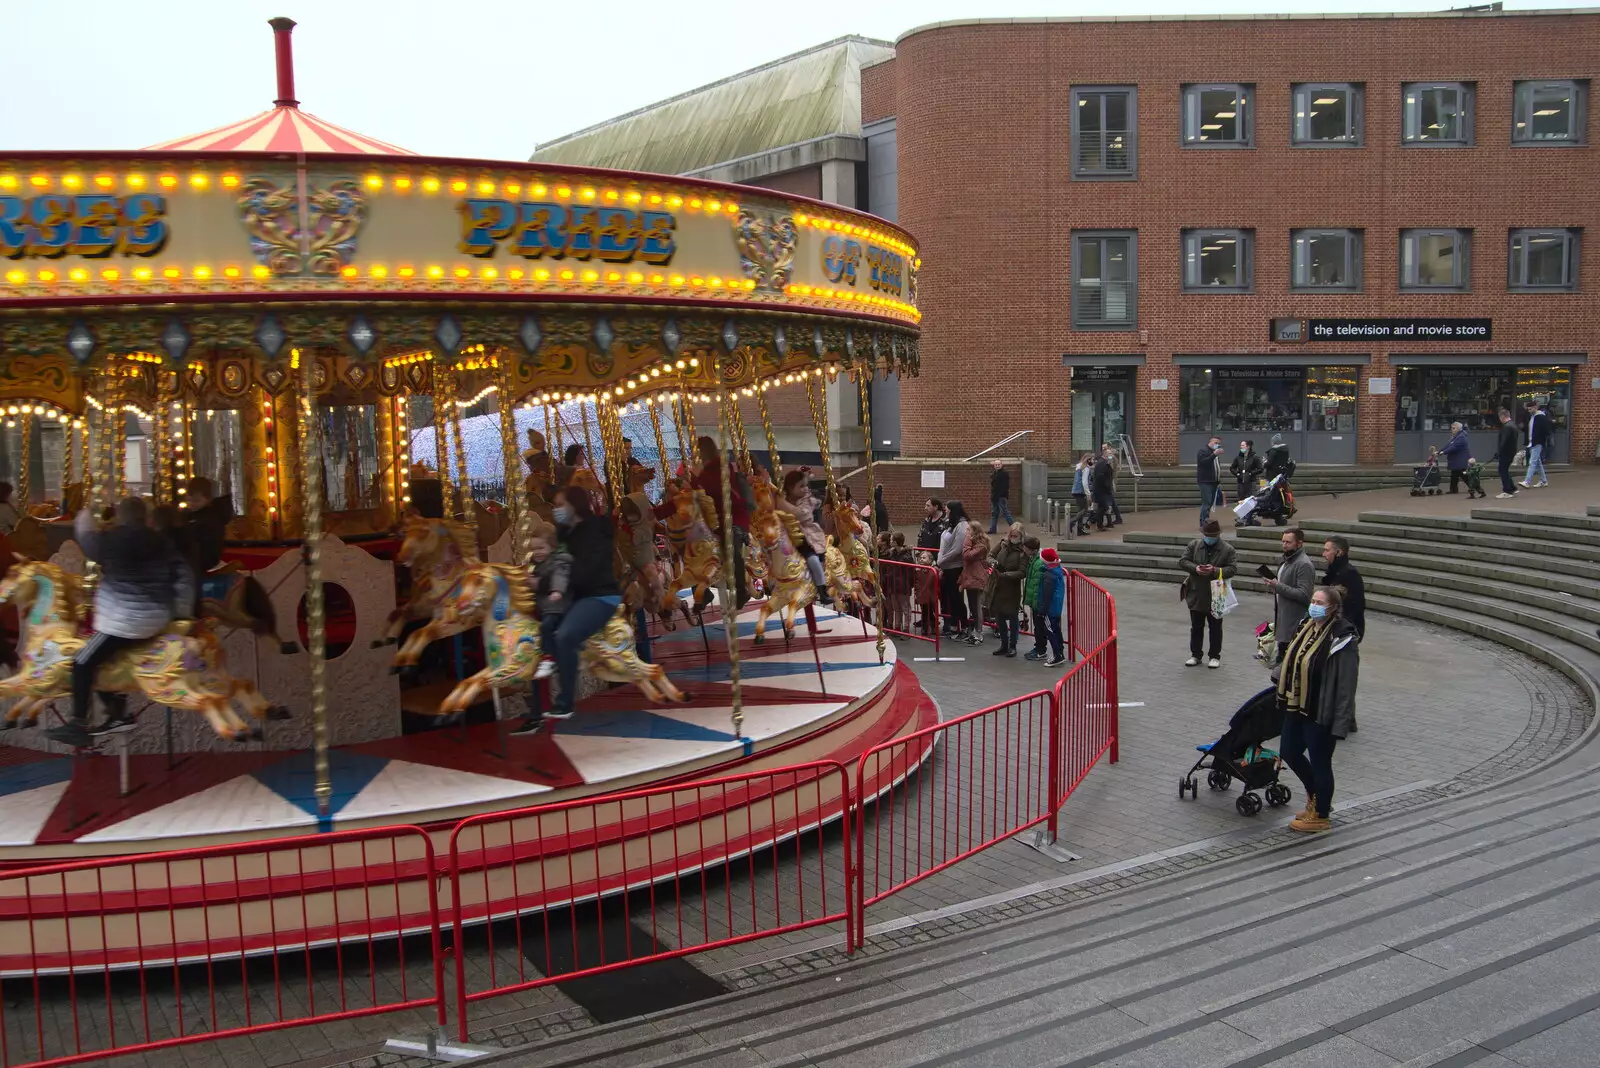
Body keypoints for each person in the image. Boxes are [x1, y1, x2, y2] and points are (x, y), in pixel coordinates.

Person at [47, 498, 194, 747]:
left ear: (121, 517)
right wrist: (180, 611)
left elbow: (86, 538)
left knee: (82, 662)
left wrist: (85, 511)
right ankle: (117, 713)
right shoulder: (161, 540)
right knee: (102, 660)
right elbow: (183, 575)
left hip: (124, 621)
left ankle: (79, 724)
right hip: (157, 618)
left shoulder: (112, 539)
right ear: (145, 518)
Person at [514, 487, 621, 729]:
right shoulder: (567, 533)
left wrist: (542, 584)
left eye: (560, 504)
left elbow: (580, 574)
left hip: (600, 595)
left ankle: (566, 701)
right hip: (576, 594)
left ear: (574, 506)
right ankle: (547, 670)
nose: (556, 509)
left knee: (565, 635)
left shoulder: (594, 532)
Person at [1274, 586, 1361, 833]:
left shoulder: (1343, 638)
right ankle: (1316, 798)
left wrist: (1342, 722)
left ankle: (1321, 813)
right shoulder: (1307, 625)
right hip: (1297, 704)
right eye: (1313, 600)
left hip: (1321, 710)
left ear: (1333, 607)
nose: (1314, 605)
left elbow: (1346, 684)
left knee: (1321, 761)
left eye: (1319, 602)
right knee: (1289, 752)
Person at [1178, 518, 1236, 668]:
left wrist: (1215, 571)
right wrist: (1196, 568)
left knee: (1215, 626)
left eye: (1213, 536)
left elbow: (1232, 569)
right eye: (1207, 535)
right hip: (1196, 592)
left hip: (1217, 593)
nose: (1210, 538)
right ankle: (1195, 654)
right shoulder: (1194, 545)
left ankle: (1214, 656)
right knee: (1196, 626)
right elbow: (1183, 561)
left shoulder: (1227, 549)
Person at [1263, 527, 1315, 665]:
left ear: (1299, 543)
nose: (1284, 545)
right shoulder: (1287, 560)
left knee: (1286, 666)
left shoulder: (1303, 564)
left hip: (1293, 625)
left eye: (1288, 542)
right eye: (1283, 541)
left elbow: (1304, 594)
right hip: (1283, 622)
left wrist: (1278, 586)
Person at [780, 469, 829, 593]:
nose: (805, 489)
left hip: (806, 537)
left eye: (805, 485)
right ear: (790, 488)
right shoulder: (782, 499)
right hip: (787, 535)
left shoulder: (807, 501)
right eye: (801, 486)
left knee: (812, 558)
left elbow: (802, 515)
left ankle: (822, 588)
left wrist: (782, 504)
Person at [986, 522, 1027, 657]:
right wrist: (994, 563)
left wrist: (1006, 574)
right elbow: (990, 555)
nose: (1012, 537)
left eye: (1015, 535)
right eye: (1011, 535)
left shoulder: (1023, 551)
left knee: (1013, 617)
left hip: (1011, 587)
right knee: (999, 616)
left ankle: (1013, 645)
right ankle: (1003, 644)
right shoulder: (1002, 543)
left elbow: (1022, 572)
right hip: (997, 584)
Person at [1028, 547, 1067, 668]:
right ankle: (1059, 651)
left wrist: (1042, 611)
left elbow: (1046, 595)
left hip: (1049, 609)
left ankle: (1057, 655)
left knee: (1051, 631)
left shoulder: (1049, 576)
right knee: (1056, 630)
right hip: (1055, 608)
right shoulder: (1056, 571)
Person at [935, 500, 969, 638]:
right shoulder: (950, 524)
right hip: (947, 566)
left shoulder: (962, 526)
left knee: (957, 598)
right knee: (950, 598)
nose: (945, 511)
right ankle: (954, 625)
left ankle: (965, 626)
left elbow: (957, 549)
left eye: (947, 509)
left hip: (955, 567)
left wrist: (941, 560)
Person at [958, 519, 990, 645]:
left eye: (968, 530)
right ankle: (975, 631)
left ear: (975, 531)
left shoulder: (981, 545)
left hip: (977, 578)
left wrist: (966, 541)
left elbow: (967, 555)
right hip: (970, 577)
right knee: (972, 605)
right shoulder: (973, 543)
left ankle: (979, 632)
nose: (966, 532)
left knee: (977, 606)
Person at [884, 531, 914, 633]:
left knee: (905, 608)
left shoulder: (906, 556)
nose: (890, 542)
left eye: (892, 540)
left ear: (896, 542)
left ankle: (906, 628)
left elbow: (909, 569)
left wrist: (910, 583)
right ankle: (897, 626)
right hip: (893, 584)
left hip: (903, 585)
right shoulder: (893, 553)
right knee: (896, 607)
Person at [1439, 422, 1476, 496]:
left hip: (1460, 459)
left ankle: (1474, 486)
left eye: (1453, 428)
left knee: (1463, 474)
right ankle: (1453, 489)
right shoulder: (1456, 436)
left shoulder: (1461, 437)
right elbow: (1448, 445)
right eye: (1451, 428)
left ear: (1459, 428)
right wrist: (1440, 451)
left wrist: (1443, 452)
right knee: (1454, 474)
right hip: (1456, 460)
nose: (1452, 430)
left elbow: (1454, 447)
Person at [1490, 409, 1520, 500]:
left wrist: (1499, 452)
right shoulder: (1513, 425)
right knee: (1505, 470)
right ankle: (1512, 488)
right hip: (1511, 451)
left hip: (1506, 452)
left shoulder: (1506, 427)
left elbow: (1503, 441)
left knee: (1502, 470)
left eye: (1500, 417)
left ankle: (1507, 490)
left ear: (1502, 416)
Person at [1522, 399, 1551, 489]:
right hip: (1532, 442)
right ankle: (1543, 480)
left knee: (1532, 462)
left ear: (1535, 408)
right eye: (1528, 409)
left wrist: (1541, 440)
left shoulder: (1541, 417)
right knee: (1537, 462)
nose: (1529, 411)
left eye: (1530, 409)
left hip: (1537, 442)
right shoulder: (1533, 417)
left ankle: (1527, 481)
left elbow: (1546, 430)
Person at [1196, 437, 1224, 524]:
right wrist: (1214, 455)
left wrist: (1218, 480)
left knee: (1210, 503)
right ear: (1210, 442)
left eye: (1219, 443)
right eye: (1216, 442)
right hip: (1205, 481)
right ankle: (1203, 521)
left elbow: (1216, 467)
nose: (1217, 445)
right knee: (1207, 502)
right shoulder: (1203, 451)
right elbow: (1203, 463)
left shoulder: (1214, 453)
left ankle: (1206, 519)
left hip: (1214, 481)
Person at [913, 549, 940, 637]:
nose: (921, 559)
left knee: (930, 612)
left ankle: (933, 626)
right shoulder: (919, 570)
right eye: (920, 557)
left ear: (930, 560)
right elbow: (917, 583)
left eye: (924, 558)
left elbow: (929, 582)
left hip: (930, 595)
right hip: (922, 595)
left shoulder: (933, 570)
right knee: (924, 612)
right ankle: (925, 628)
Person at [1089, 449, 1117, 532]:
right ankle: (1091, 521)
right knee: (1104, 507)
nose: (1111, 455)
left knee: (1102, 507)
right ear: (1105, 455)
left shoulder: (1104, 463)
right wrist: (1107, 486)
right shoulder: (1102, 463)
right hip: (1101, 490)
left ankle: (1099, 525)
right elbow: (1101, 477)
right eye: (1109, 453)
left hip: (1100, 489)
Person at [1021, 535, 1043, 640]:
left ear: (1032, 550)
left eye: (1025, 548)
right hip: (1035, 602)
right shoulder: (1033, 560)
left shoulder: (1038, 563)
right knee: (1037, 626)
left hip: (1037, 603)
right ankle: (1038, 647)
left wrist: (1035, 603)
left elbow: (1036, 585)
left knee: (1039, 627)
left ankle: (1041, 650)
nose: (1023, 550)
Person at [1099, 444, 1124, 526]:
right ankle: (1116, 518)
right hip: (1110, 480)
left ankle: (1115, 519)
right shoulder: (1111, 456)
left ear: (1109, 448)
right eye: (1102, 448)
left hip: (1110, 480)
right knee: (1112, 500)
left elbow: (1110, 467)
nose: (1103, 449)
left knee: (1111, 500)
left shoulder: (1110, 457)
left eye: (1105, 448)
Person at [987, 459, 1012, 533]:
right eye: (996, 465)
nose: (997, 466)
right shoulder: (996, 473)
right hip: (995, 496)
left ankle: (1015, 528)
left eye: (998, 464)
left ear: (1001, 465)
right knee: (995, 513)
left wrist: (1000, 495)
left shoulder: (1004, 474)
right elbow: (992, 478)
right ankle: (992, 529)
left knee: (1005, 513)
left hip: (1000, 496)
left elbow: (1004, 486)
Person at [1070, 453, 1092, 521]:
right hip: (1080, 491)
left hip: (1075, 490)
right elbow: (1084, 482)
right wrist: (1088, 494)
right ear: (1088, 460)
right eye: (1092, 460)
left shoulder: (1079, 466)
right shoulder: (1086, 468)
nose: (1093, 461)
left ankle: (1080, 528)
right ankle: (1072, 522)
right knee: (1084, 509)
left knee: (1081, 509)